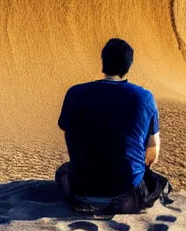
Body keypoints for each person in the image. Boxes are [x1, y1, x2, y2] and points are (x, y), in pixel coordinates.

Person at [55, 38, 173, 214]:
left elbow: (68, 133)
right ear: (129, 66)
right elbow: (153, 151)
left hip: (82, 190)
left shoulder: (75, 93)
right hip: (127, 192)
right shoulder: (144, 97)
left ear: (103, 62)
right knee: (154, 181)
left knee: (63, 171)